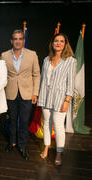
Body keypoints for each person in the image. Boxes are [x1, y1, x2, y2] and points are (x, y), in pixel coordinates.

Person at [1, 29, 40, 160]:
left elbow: (36, 75)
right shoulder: (4, 55)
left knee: (24, 121)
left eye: (20, 39)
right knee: (11, 120)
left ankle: (22, 146)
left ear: (23, 40)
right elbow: (2, 76)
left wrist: (35, 93)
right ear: (11, 41)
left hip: (27, 94)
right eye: (15, 39)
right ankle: (12, 142)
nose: (17, 41)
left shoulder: (32, 54)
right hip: (10, 93)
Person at [37, 33, 76, 166]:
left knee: (58, 126)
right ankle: (46, 147)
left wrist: (67, 100)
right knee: (46, 123)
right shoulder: (46, 59)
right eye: (56, 41)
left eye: (61, 41)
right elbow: (42, 79)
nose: (58, 43)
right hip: (45, 97)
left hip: (60, 99)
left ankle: (59, 152)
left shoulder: (71, 61)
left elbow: (71, 83)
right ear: (52, 43)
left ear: (65, 44)